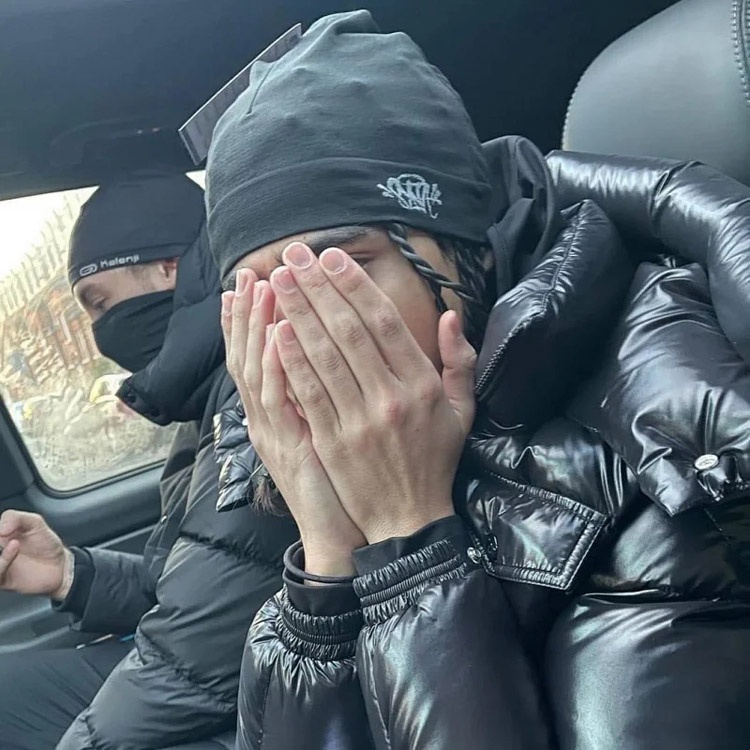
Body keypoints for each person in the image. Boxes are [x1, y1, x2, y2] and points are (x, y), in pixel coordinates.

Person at [206, 11, 750, 750]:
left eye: (343, 272)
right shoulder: (296, 462)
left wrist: (407, 534)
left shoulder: (660, 463)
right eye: (260, 296)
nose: (303, 334)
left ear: (470, 254)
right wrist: (327, 558)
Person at [0, 172, 297, 750]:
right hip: (220, 672)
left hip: (263, 697)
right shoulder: (205, 401)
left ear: (167, 268)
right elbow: (190, 582)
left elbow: (197, 655)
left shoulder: (255, 385)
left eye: (100, 302)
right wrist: (69, 574)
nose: (99, 332)